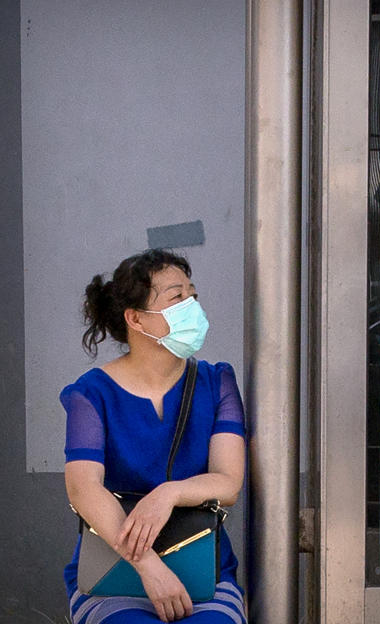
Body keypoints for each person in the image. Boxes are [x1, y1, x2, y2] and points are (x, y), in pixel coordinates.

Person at [62, 249, 246, 624]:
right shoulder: (91, 393)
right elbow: (83, 489)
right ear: (136, 319)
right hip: (113, 571)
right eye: (177, 297)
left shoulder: (217, 381)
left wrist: (168, 493)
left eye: (193, 296)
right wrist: (148, 566)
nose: (192, 306)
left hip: (203, 569)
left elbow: (228, 482)